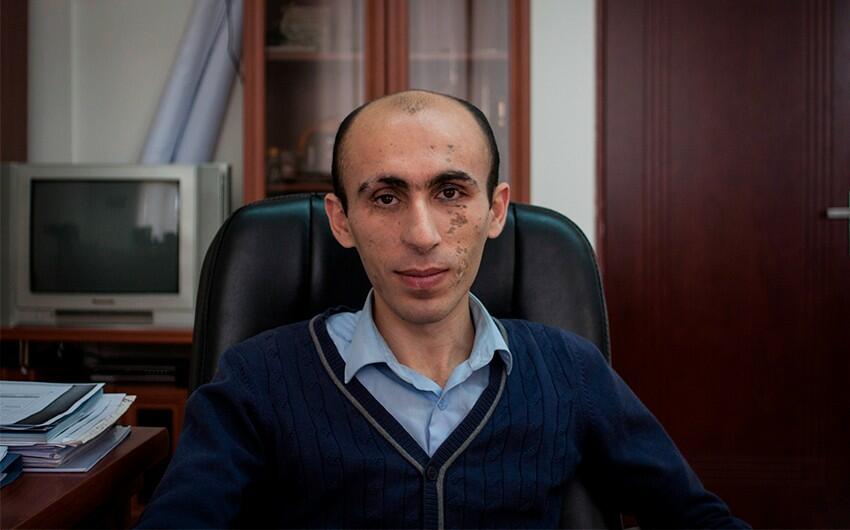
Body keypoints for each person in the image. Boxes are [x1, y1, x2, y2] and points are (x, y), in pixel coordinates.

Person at [137, 90, 748, 528]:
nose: (423, 235)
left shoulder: (571, 371)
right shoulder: (256, 380)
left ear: (495, 210)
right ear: (341, 220)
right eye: (385, 197)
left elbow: (696, 517)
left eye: (451, 192)